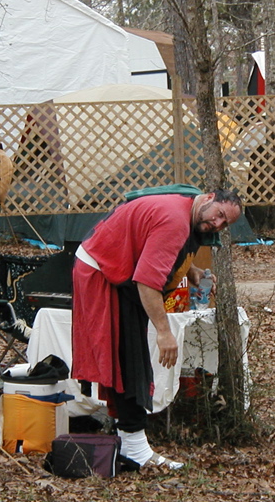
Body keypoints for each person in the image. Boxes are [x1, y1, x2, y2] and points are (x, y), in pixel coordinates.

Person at [71, 187, 243, 470]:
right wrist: (164, 332)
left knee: (129, 358)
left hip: (116, 271)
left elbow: (153, 243)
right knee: (128, 359)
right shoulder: (175, 221)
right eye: (219, 215)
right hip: (103, 273)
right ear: (209, 198)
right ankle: (135, 447)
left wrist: (190, 270)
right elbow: (147, 282)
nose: (217, 224)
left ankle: (128, 442)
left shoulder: (188, 207)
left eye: (225, 223)